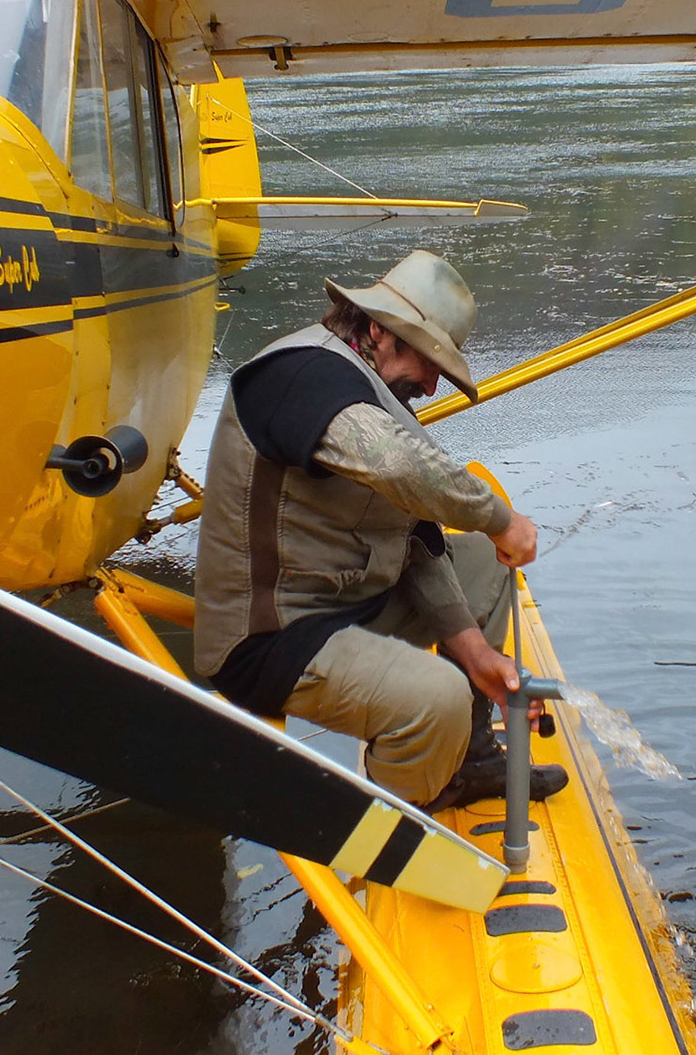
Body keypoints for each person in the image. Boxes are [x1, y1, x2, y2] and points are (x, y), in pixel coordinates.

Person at [194, 249, 568, 811]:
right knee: (437, 698)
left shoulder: (370, 391)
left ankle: (467, 760)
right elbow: (397, 464)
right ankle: (392, 829)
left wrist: (475, 654)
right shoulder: (300, 374)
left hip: (350, 605)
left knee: (484, 565)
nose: (433, 386)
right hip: (271, 636)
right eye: (430, 362)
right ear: (378, 330)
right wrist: (500, 519)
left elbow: (416, 541)